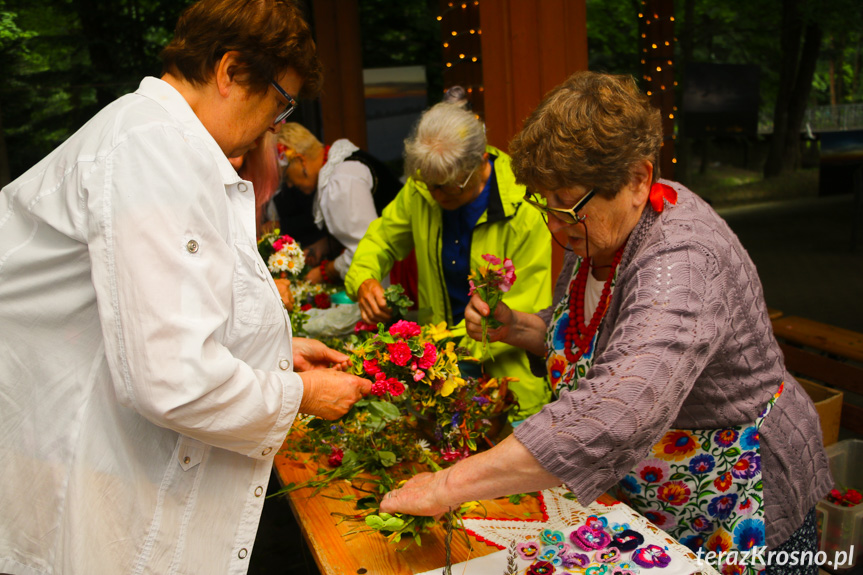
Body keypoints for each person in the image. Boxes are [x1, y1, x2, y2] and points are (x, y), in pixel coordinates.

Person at [379, 72, 832, 574]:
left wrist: (445, 486)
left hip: (742, 500)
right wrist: (517, 328)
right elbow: (592, 339)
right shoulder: (599, 231)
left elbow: (616, 409)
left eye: (567, 205)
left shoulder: (680, 260)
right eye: (543, 203)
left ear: (638, 179)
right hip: (659, 496)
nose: (554, 225)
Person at [0, 1, 372, 573]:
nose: (279, 121)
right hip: (69, 450)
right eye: (280, 99)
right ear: (229, 72)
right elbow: (171, 376)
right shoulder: (152, 148)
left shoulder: (161, 141)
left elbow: (150, 309)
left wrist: (275, 353)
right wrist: (303, 396)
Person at [345, 101, 553, 421]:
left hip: (506, 376)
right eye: (430, 186)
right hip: (439, 367)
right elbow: (382, 239)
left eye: (449, 188)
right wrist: (365, 279)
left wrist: (440, 347)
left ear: (481, 162)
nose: (437, 197)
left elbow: (525, 309)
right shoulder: (425, 186)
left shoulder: (526, 206)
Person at [272, 122, 405, 285]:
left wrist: (324, 272)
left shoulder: (342, 182)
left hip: (401, 272)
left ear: (301, 162)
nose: (290, 185)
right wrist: (322, 247)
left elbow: (364, 250)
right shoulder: (342, 167)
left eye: (285, 177)